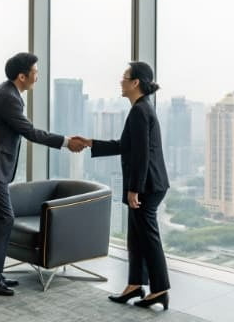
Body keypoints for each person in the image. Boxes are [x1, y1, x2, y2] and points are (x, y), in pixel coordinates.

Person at [0, 52, 85, 296]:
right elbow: (30, 132)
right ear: (22, 76)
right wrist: (65, 142)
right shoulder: (9, 98)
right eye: (35, 72)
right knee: (4, 218)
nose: (37, 76)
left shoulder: (7, 92)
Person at [76, 61, 170, 310]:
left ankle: (160, 289)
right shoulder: (141, 108)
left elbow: (141, 154)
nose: (121, 80)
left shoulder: (140, 111)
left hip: (147, 185)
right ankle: (135, 285)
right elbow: (124, 145)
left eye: (125, 77)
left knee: (147, 238)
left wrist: (134, 189)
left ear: (135, 82)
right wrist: (91, 143)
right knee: (137, 237)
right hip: (150, 183)